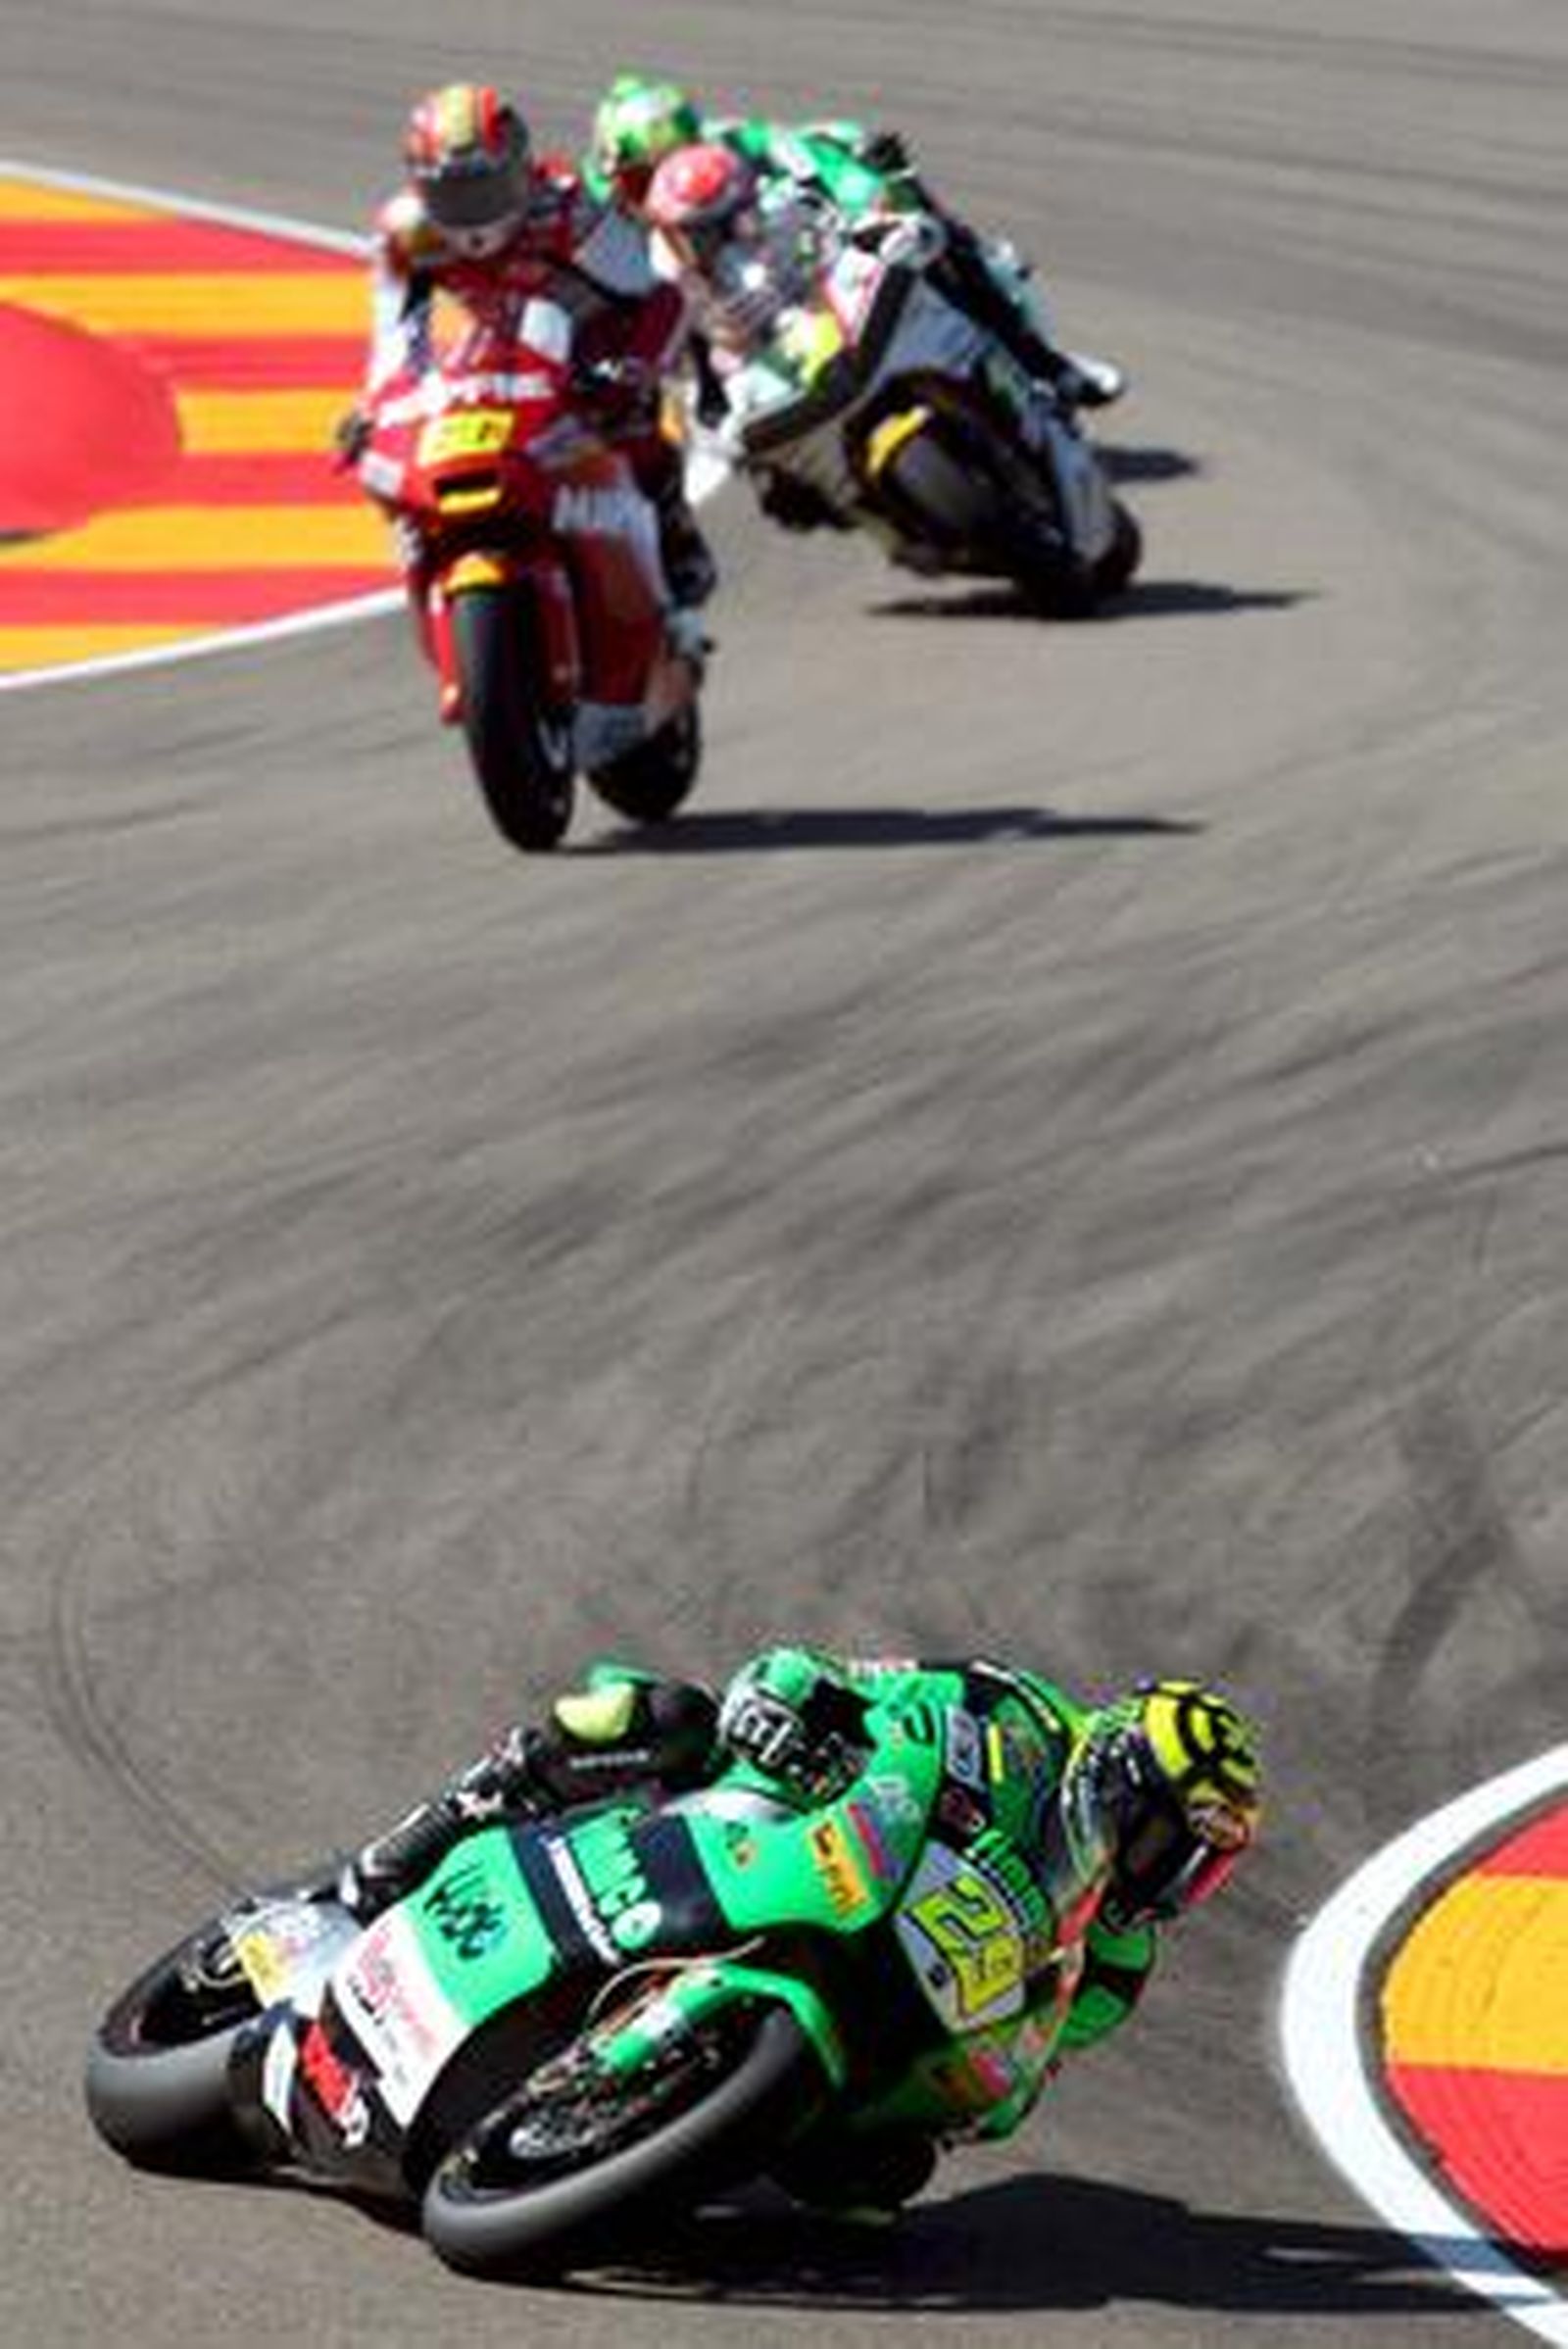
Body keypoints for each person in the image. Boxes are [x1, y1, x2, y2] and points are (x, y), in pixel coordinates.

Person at [342, 1643, 1262, 2222]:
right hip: (813, 1833)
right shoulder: (1006, 1704)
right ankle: (433, 1830)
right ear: (1117, 1779)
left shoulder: (1117, 1961)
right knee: (660, 1717)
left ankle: (677, 2124)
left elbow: (1032, 2061)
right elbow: (848, 1678)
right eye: (1169, 1845)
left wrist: (972, 2103)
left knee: (878, 2186)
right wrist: (784, 1703)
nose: (1173, 1881)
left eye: (1200, 1870)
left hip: (898, 1998)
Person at [342, 81, 715, 612]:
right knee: (389, 458)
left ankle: (676, 534)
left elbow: (655, 296)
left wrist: (633, 371)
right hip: (502, 342)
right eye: (454, 194)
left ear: (520, 171)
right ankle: (425, 551)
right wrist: (375, 408)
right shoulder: (406, 234)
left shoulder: (563, 210)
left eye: (487, 189)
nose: (473, 211)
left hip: (595, 341)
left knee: (635, 435)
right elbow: (399, 338)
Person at [586, 72, 1126, 412]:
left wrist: (872, 200)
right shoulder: (605, 199)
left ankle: (1042, 361)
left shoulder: (741, 144)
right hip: (734, 310)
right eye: (641, 177)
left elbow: (825, 160)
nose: (668, 184)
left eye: (676, 161)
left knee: (930, 239)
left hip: (804, 254)